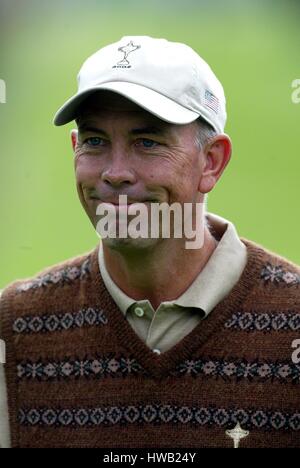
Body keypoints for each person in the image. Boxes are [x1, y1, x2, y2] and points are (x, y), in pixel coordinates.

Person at [0, 36, 299, 449]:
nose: (115, 172)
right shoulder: (17, 328)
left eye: (147, 142)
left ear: (211, 162)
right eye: (95, 141)